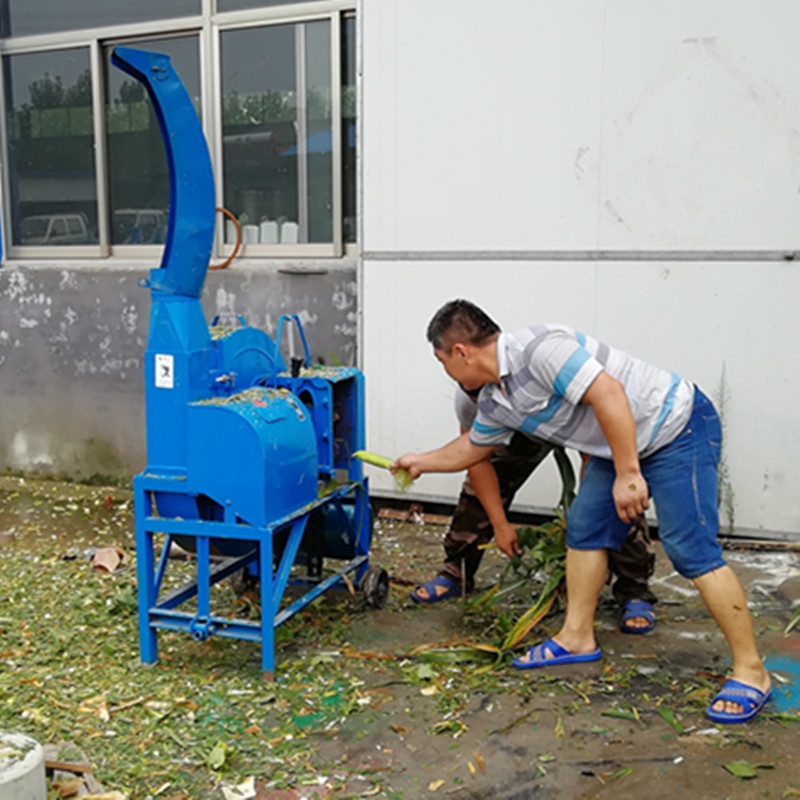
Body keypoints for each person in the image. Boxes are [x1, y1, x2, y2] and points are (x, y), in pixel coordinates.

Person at [394, 299, 771, 724]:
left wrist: (628, 473)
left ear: (460, 351)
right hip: (619, 442)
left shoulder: (539, 349)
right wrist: (420, 461)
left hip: (675, 427)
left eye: (442, 360)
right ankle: (576, 636)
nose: (445, 371)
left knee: (690, 549)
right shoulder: (497, 400)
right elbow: (471, 448)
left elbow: (608, 393)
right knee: (586, 527)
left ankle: (751, 671)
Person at [411, 385, 658, 635]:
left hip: (569, 421)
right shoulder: (470, 396)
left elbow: (591, 459)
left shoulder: (555, 378)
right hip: (517, 431)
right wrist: (501, 525)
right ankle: (457, 572)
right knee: (483, 491)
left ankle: (635, 590)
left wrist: (590, 530)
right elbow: (476, 461)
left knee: (612, 495)